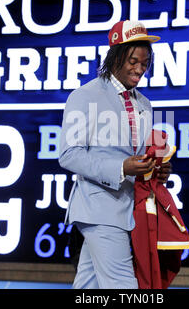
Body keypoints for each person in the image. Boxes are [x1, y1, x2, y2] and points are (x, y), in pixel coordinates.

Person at [59, 20, 172, 289]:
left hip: (128, 207)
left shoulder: (144, 103)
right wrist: (121, 167)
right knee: (123, 286)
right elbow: (69, 155)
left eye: (145, 63)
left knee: (89, 285)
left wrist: (156, 168)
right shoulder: (85, 96)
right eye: (133, 61)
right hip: (99, 208)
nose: (140, 69)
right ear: (115, 57)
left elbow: (139, 155)